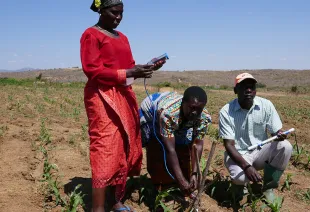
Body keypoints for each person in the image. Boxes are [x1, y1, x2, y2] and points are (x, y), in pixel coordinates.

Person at [80, 0, 165, 211]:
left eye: (121, 14)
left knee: (123, 146)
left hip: (123, 94)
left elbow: (128, 69)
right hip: (101, 96)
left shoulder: (123, 38)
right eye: (114, 12)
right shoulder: (91, 34)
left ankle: (116, 199)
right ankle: (98, 207)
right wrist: (128, 73)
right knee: (105, 147)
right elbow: (92, 70)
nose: (118, 17)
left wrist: (142, 69)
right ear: (101, 11)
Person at [219, 73, 292, 202]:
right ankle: (240, 186)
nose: (248, 90)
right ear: (236, 90)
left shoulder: (266, 105)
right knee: (240, 178)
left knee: (285, 146)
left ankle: (268, 187)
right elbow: (229, 145)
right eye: (244, 87)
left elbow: (275, 131)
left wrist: (279, 135)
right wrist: (247, 167)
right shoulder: (226, 111)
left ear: (255, 91)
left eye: (251, 87)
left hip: (260, 152)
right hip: (239, 154)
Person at [139, 87, 212, 196]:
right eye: (191, 108)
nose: (194, 112)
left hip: (176, 116)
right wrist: (181, 180)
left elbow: (197, 144)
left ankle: (181, 181)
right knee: (157, 144)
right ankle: (159, 184)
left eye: (199, 109)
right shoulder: (168, 113)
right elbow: (170, 149)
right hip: (151, 111)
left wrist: (194, 174)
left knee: (183, 144)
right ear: (183, 103)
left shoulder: (204, 118)